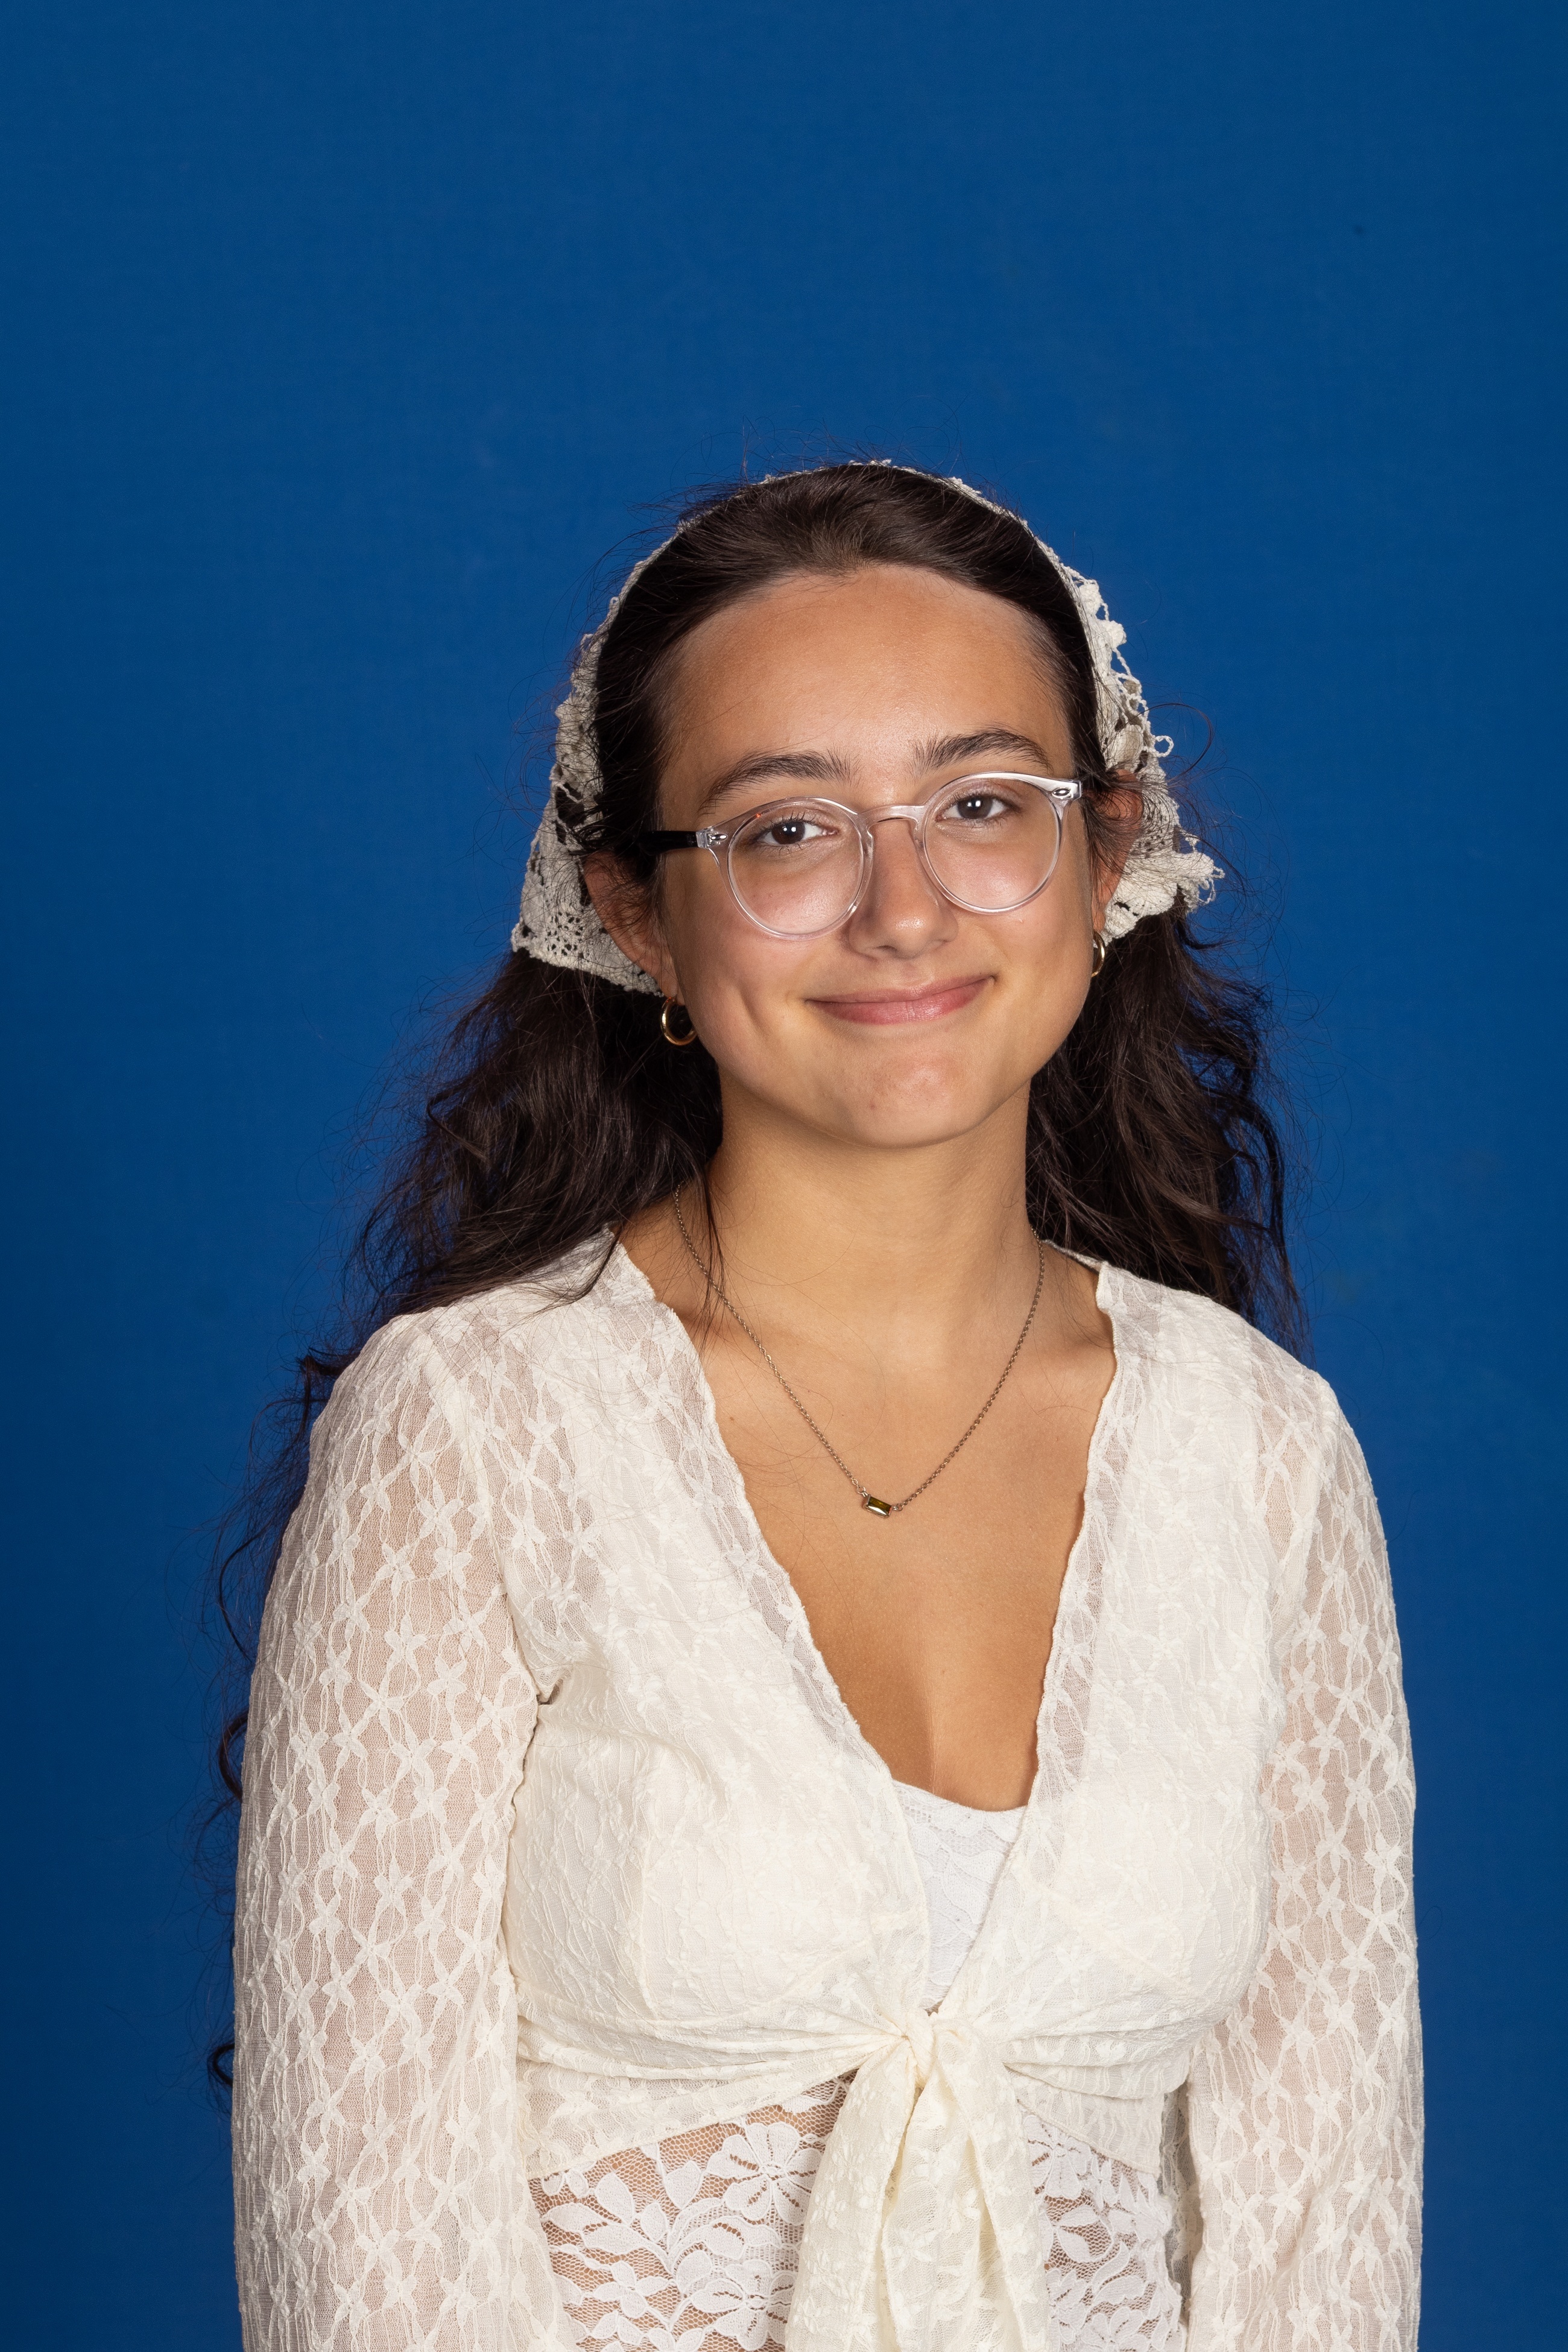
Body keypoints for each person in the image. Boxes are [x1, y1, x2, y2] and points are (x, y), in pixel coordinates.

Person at [229, 461, 1421, 2352]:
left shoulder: (1264, 1456)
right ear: (637, 911)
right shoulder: (472, 1433)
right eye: (788, 829)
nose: (904, 908)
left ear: (1104, 855)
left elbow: (1323, 2240)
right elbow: (364, 2255)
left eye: (983, 805)